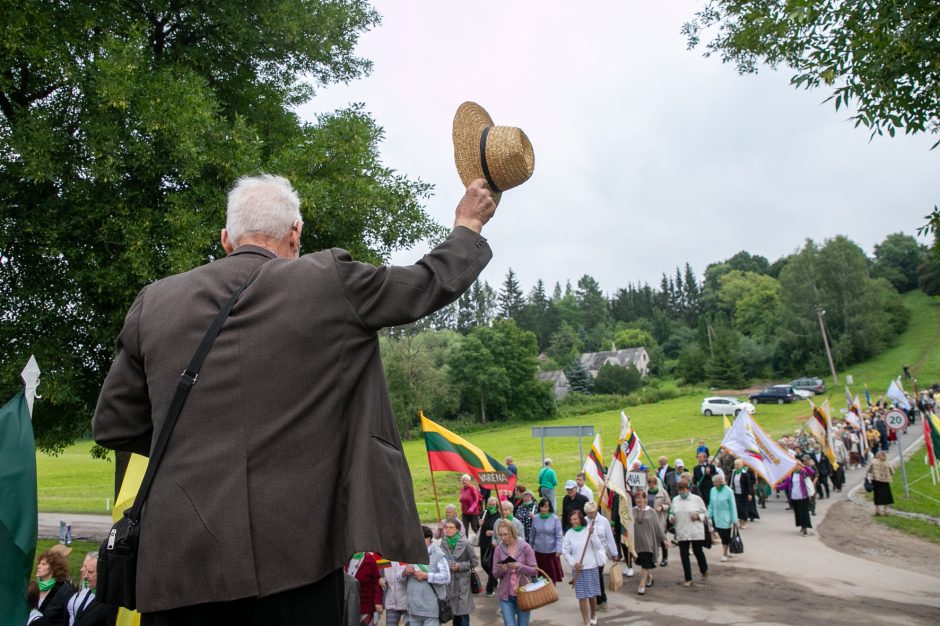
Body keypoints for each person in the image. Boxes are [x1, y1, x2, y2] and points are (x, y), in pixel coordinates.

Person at [92, 175, 496, 622]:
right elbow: (424, 283)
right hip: (297, 557)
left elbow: (114, 425)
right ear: (295, 233)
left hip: (180, 565)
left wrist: (198, 444)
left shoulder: (153, 303)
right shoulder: (328, 279)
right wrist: (468, 223)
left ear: (226, 239)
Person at [562, 509, 606, 626]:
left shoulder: (589, 530)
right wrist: (573, 563)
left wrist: (592, 534)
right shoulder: (569, 533)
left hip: (591, 567)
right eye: (571, 519)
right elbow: (566, 552)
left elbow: (598, 546)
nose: (573, 521)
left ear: (581, 519)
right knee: (582, 596)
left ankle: (593, 614)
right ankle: (585, 621)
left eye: (575, 519)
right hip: (578, 569)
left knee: (591, 595)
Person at [402, 527, 451, 626]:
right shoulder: (411, 554)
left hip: (430, 610)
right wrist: (404, 572)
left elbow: (446, 577)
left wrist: (427, 576)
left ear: (428, 538)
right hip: (413, 609)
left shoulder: (437, 554)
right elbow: (398, 577)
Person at [493, 522, 538, 626]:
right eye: (501, 534)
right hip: (506, 596)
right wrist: (503, 570)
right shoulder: (498, 549)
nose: (503, 538)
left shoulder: (525, 547)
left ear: (513, 532)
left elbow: (535, 570)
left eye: (506, 534)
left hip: (524, 594)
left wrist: (520, 566)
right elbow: (495, 574)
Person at [669, 478, 708, 587]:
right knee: (684, 554)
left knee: (698, 551)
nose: (681, 492)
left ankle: (704, 570)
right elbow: (671, 512)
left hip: (695, 530)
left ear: (688, 489)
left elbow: (706, 514)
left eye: (683, 490)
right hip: (682, 530)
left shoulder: (696, 499)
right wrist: (671, 518)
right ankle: (688, 578)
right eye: (680, 490)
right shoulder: (676, 500)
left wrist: (698, 516)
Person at [440, 519, 478, 626]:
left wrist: (460, 566)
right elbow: (441, 559)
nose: (448, 530)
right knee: (454, 612)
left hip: (462, 582)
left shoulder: (465, 543)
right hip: (449, 582)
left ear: (457, 529)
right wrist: (447, 565)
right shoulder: (444, 542)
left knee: (463, 612)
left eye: (451, 527)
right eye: (446, 527)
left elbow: (475, 561)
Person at [67, 552, 119, 626]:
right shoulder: (90, 589)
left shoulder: (112, 600)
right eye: (85, 569)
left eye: (90, 572)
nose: (85, 576)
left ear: (104, 573)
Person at [631, 487, 666, 595]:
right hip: (637, 542)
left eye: (640, 498)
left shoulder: (651, 512)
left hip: (648, 542)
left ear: (645, 499)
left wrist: (664, 539)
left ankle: (642, 583)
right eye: (636, 498)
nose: (638, 500)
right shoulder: (632, 510)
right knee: (643, 562)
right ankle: (649, 577)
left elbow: (657, 527)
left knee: (646, 562)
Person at [583, 501, 618, 608]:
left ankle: (602, 599)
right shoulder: (584, 521)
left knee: (597, 575)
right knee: (594, 577)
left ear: (596, 511)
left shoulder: (604, 521)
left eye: (592, 512)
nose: (590, 515)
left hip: (601, 553)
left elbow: (610, 538)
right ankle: (599, 599)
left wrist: (614, 553)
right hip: (589, 553)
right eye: (588, 513)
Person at [35, 548, 74, 626]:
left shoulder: (64, 591)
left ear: (53, 568)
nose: (38, 566)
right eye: (39, 563)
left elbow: (67, 619)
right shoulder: (35, 587)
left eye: (43, 564)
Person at [529, 497, 564, 583]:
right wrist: (530, 548)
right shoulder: (536, 518)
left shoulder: (555, 519)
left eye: (546, 507)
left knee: (551, 575)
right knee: (541, 575)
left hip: (551, 552)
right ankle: (543, 594)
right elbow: (532, 534)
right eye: (541, 506)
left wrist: (559, 549)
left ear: (549, 508)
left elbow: (559, 536)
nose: (543, 509)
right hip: (539, 551)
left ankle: (552, 592)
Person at [780, 458, 816, 535]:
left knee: (804, 512)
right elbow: (786, 484)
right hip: (795, 496)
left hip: (803, 496)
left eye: (797, 465)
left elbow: (812, 472)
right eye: (794, 465)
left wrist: (803, 465)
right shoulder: (791, 474)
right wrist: (776, 487)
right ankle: (801, 526)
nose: (795, 466)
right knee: (798, 512)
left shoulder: (803, 472)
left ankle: (805, 527)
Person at [707, 474, 738, 563]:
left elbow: (733, 506)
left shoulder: (729, 491)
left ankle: (725, 553)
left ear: (720, 482)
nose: (713, 484)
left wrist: (734, 519)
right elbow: (711, 505)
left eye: (715, 482)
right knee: (721, 534)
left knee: (725, 536)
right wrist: (708, 515)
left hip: (726, 517)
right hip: (716, 517)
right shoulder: (712, 490)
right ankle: (728, 549)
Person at [347, 551, 383, 625]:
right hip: (349, 606)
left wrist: (377, 602)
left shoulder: (369, 559)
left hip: (366, 607)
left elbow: (377, 581)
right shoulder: (346, 558)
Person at [645, 475, 671, 566]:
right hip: (649, 519)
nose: (650, 486)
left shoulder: (663, 492)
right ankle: (654, 557)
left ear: (655, 483)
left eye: (651, 484)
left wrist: (662, 507)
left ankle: (665, 558)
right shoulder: (646, 492)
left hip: (660, 519)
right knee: (651, 540)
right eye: (648, 484)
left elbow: (669, 504)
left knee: (662, 538)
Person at [479, 496, 502, 596]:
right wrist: (479, 524)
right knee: (484, 564)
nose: (491, 506)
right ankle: (494, 579)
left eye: (493, 505)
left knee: (492, 565)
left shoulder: (499, 516)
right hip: (484, 542)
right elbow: (477, 528)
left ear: (496, 505)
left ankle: (490, 588)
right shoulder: (483, 513)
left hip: (494, 544)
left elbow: (502, 530)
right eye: (490, 504)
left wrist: (493, 532)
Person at [381, 560, 409, 626]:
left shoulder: (407, 556)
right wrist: (383, 582)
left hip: (408, 604)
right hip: (391, 604)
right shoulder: (385, 557)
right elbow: (382, 576)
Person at [867, 450, 895, 516]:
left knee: (877, 495)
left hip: (876, 481)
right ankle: (886, 510)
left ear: (877, 455)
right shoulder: (887, 463)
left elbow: (869, 470)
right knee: (886, 496)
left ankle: (877, 510)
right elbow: (892, 472)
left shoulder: (873, 462)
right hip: (885, 481)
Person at [730, 459, 753, 528]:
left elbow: (748, 485)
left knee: (743, 509)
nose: (737, 466)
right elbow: (730, 482)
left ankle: (744, 522)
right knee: (737, 508)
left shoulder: (745, 474)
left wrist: (749, 494)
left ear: (742, 465)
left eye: (738, 465)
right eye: (736, 465)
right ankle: (739, 521)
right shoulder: (733, 473)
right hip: (735, 493)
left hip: (744, 494)